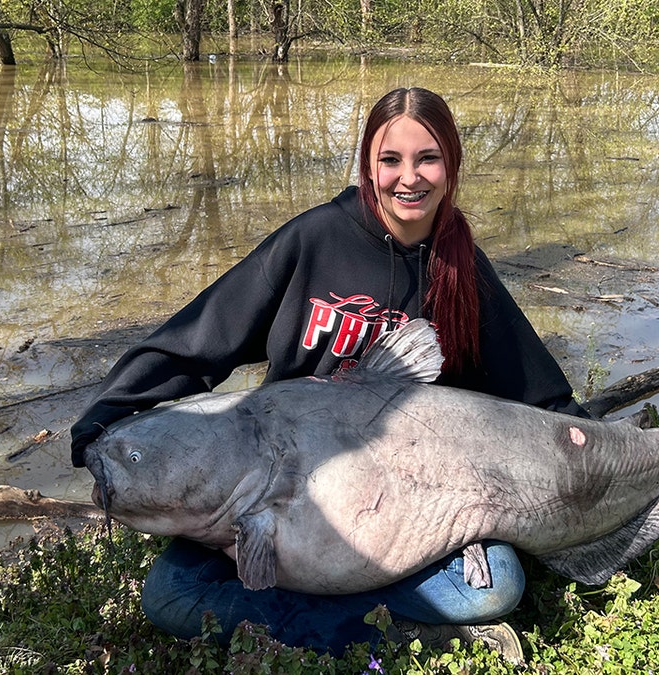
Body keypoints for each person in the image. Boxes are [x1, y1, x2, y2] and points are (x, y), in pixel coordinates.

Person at [70, 87, 590, 658]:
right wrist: (105, 420)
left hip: (409, 507)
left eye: (428, 158)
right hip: (280, 491)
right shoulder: (314, 238)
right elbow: (201, 337)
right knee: (169, 595)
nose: (408, 178)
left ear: (452, 166)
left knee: (496, 588)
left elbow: (537, 391)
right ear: (368, 163)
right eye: (390, 159)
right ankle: (398, 629)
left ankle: (329, 619)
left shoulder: (463, 268)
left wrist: (615, 447)